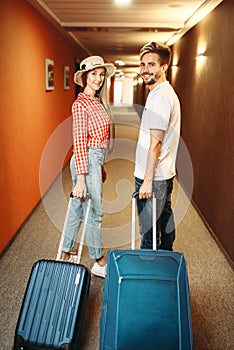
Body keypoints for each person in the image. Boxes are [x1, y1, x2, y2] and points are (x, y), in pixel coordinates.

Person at [61, 56, 116, 278]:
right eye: (93, 74)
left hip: (95, 160)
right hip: (86, 159)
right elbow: (80, 141)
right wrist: (82, 178)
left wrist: (100, 167)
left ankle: (65, 252)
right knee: (94, 212)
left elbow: (100, 139)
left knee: (77, 207)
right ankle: (99, 260)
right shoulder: (80, 104)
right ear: (84, 76)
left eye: (101, 74)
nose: (98, 78)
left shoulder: (97, 101)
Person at [134, 42, 181, 251]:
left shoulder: (161, 97)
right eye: (143, 64)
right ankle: (167, 265)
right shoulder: (160, 92)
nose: (145, 69)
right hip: (164, 173)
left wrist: (147, 181)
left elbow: (156, 144)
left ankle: (149, 279)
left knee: (149, 236)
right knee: (163, 225)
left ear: (164, 67)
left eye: (151, 64)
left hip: (154, 177)